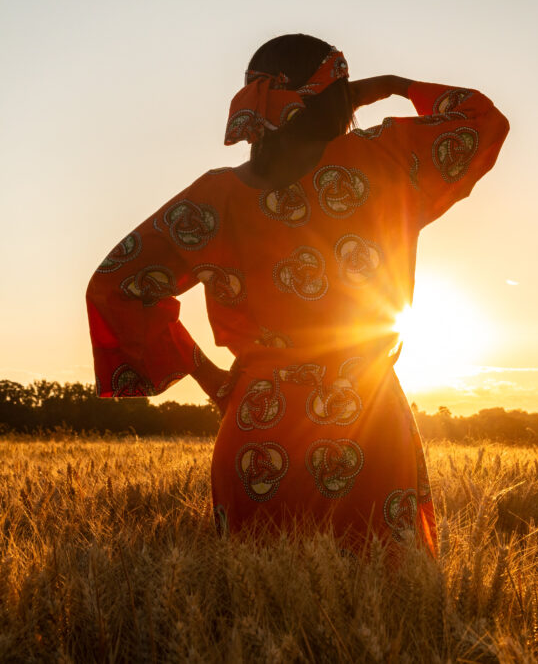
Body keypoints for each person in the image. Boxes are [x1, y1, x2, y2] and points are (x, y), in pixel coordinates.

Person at [85, 34, 509, 555]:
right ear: (340, 96)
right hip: (367, 422)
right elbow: (481, 120)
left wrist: (214, 380)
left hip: (257, 431)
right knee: (393, 611)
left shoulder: (213, 199)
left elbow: (115, 285)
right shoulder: (383, 159)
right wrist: (393, 86)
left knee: (254, 617)